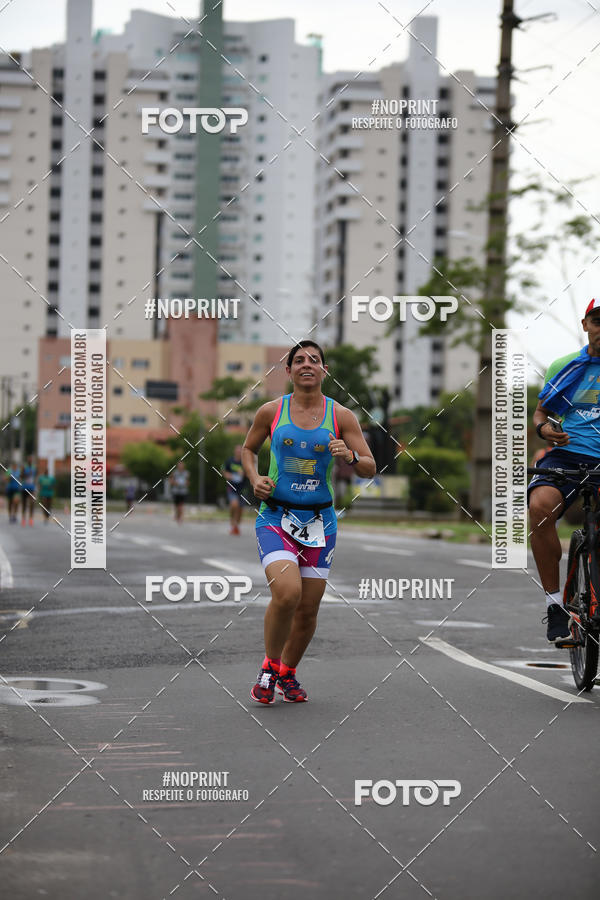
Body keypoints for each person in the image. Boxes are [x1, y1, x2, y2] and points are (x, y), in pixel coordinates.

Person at [242, 340, 376, 704]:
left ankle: (288, 672)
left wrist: (348, 454)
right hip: (275, 516)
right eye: (299, 360)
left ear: (324, 370)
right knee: (288, 593)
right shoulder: (271, 411)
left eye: (314, 360)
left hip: (321, 523)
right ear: (288, 371)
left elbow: (369, 465)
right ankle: (269, 666)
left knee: (308, 609)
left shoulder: (341, 416)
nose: (307, 365)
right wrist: (254, 479)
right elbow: (248, 449)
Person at [529, 298, 600, 644]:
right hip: (568, 457)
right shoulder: (565, 365)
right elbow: (540, 414)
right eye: (598, 321)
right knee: (540, 508)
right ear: (585, 324)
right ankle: (555, 605)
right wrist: (543, 430)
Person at [223, 444, 247, 535]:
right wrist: (228, 475)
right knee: (234, 505)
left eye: (240, 451)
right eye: (237, 451)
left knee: (240, 509)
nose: (238, 452)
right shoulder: (229, 461)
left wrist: (243, 473)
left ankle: (237, 525)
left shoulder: (245, 462)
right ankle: (232, 524)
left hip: (242, 488)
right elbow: (223, 470)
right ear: (234, 452)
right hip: (232, 487)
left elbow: (250, 473)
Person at [21, 456, 36, 527]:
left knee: (32, 503)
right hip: (24, 488)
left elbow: (36, 477)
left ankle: (31, 518)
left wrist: (35, 487)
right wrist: (26, 474)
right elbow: (21, 476)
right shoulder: (24, 467)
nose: (30, 461)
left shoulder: (34, 468)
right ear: (27, 461)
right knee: (24, 503)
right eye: (29, 460)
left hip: (31, 488)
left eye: (31, 460)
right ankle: (23, 518)